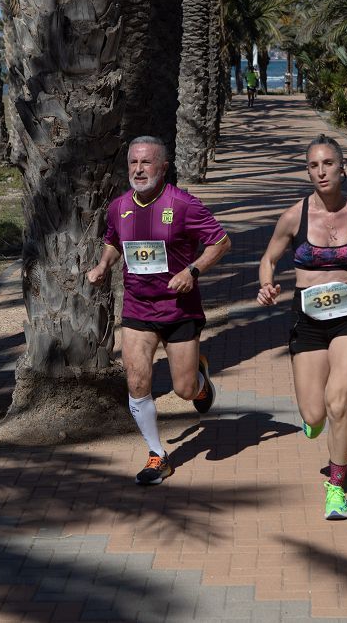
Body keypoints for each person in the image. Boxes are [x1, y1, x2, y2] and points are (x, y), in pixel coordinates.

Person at [257, 134, 347, 520]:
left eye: (328, 163)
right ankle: (315, 425)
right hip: (308, 320)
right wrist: (266, 285)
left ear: (342, 168)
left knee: (338, 404)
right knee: (314, 414)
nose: (321, 171)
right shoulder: (293, 217)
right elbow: (268, 258)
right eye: (313, 165)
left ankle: (336, 487)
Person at [87, 136, 231, 485]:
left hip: (179, 309)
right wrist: (104, 265)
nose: (138, 170)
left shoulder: (183, 204)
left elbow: (221, 241)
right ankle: (157, 455)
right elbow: (112, 240)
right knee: (136, 381)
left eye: (146, 163)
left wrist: (192, 271)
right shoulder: (118, 206)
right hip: (138, 307)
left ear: (163, 167)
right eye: (133, 163)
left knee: (183, 390)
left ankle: (199, 382)